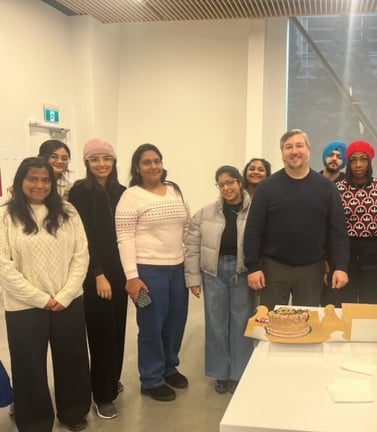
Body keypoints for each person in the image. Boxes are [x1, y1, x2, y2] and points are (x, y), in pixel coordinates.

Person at [0, 157, 91, 432]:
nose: (40, 185)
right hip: (23, 306)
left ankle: (73, 412)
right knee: (29, 368)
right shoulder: (5, 214)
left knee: (72, 359)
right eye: (33, 178)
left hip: (68, 301)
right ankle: (36, 422)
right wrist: (41, 299)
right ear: (20, 181)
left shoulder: (68, 211)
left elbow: (81, 254)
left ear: (53, 183)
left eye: (46, 180)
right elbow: (3, 265)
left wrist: (64, 295)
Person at [115, 144, 190, 402]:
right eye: (146, 162)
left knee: (176, 321)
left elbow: (186, 227)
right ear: (137, 167)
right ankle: (151, 378)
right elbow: (124, 238)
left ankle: (170, 367)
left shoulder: (174, 190)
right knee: (151, 325)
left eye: (157, 160)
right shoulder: (130, 196)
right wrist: (132, 277)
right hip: (147, 272)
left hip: (177, 268)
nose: (153, 166)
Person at [244, 129, 349, 310]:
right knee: (271, 323)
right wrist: (253, 267)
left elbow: (337, 231)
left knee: (307, 324)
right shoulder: (267, 187)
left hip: (312, 269)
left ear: (308, 150)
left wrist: (340, 266)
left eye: (299, 145)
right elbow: (254, 229)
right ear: (282, 153)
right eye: (288, 147)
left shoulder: (327, 188)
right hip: (274, 268)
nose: (294, 151)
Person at [68, 137, 127, 420]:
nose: (101, 164)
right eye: (95, 159)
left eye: (106, 158)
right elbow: (83, 238)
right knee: (101, 333)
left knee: (118, 330)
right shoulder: (78, 193)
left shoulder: (124, 192)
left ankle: (111, 380)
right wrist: (98, 273)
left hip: (122, 272)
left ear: (114, 162)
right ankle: (102, 395)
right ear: (87, 163)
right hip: (96, 275)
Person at [185, 166, 254, 395]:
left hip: (242, 272)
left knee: (240, 324)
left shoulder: (254, 210)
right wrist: (194, 278)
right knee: (216, 325)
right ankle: (220, 374)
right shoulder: (204, 213)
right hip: (213, 273)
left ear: (240, 182)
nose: (226, 188)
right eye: (221, 184)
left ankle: (239, 373)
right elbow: (192, 248)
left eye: (230, 182)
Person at [333, 140, 377, 305]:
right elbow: (332, 225)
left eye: (363, 159)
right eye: (353, 160)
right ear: (348, 163)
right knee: (344, 299)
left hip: (374, 250)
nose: (358, 164)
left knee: (371, 300)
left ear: (370, 162)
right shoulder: (337, 189)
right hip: (346, 250)